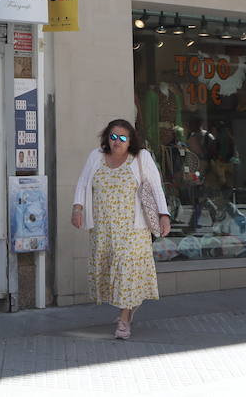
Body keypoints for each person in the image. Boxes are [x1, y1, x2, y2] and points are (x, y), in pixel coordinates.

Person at [71, 118, 170, 340]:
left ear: (130, 140)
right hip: (104, 229)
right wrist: (77, 208)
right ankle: (128, 308)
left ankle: (124, 319)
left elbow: (156, 188)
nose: (117, 142)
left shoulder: (141, 158)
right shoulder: (95, 156)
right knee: (110, 272)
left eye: (122, 138)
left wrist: (164, 216)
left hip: (132, 230)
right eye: (113, 136)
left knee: (127, 271)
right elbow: (83, 183)